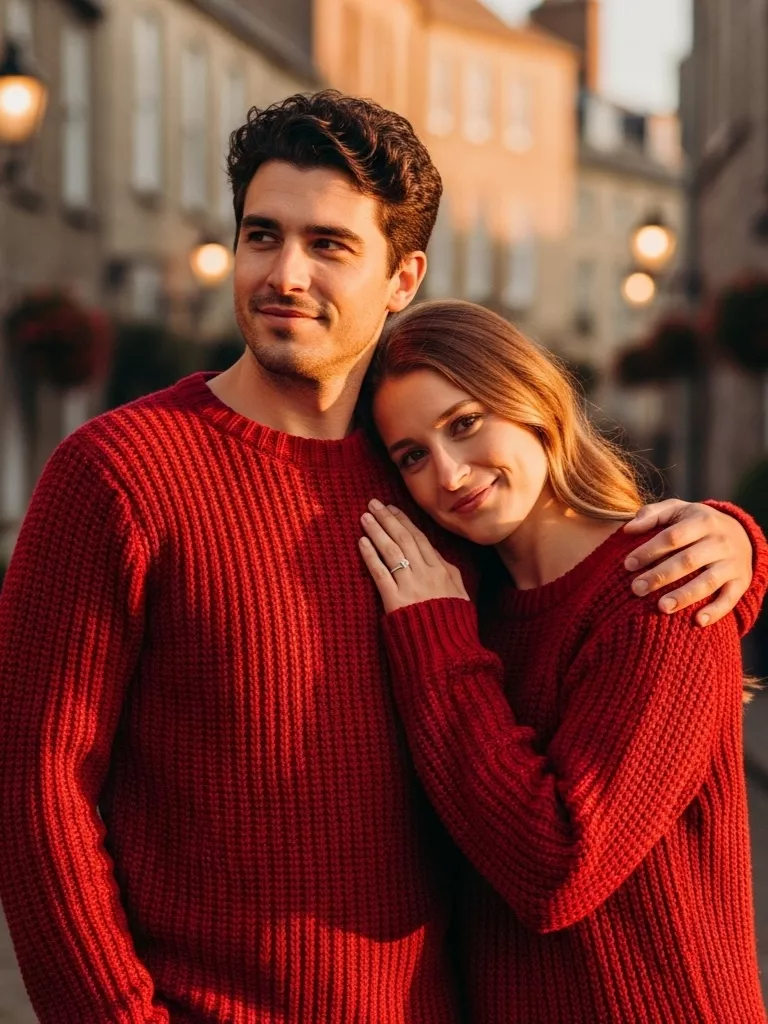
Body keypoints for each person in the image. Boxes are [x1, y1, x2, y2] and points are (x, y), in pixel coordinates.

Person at [0, 93, 761, 1024]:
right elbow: (35, 791)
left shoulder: (427, 484)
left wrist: (735, 542)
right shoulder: (117, 474)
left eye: (329, 245)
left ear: (403, 277)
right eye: (261, 234)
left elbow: (570, 592)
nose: (285, 273)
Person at [358, 299, 768, 1024]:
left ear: (534, 401)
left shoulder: (659, 590)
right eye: (413, 456)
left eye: (465, 423)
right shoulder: (475, 605)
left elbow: (559, 871)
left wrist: (437, 642)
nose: (449, 474)